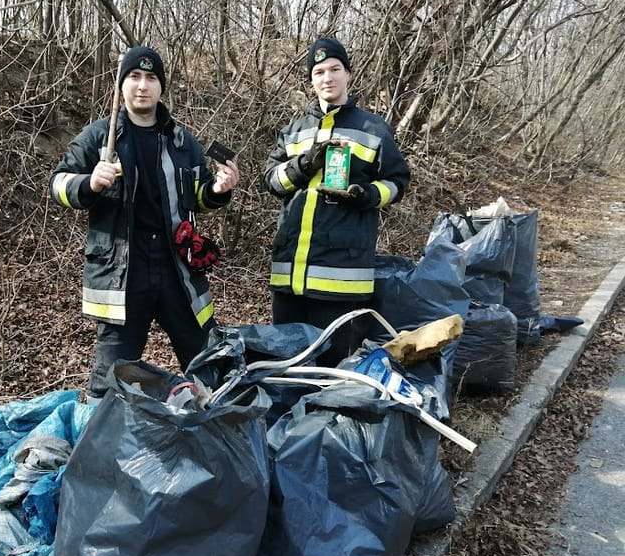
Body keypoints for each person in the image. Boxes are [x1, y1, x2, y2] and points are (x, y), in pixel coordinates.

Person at [48, 46, 239, 394]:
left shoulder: (182, 143)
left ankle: (213, 433)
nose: (142, 85)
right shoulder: (99, 139)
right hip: (122, 273)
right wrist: (89, 182)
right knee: (111, 381)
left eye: (151, 78)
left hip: (176, 270)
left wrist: (219, 188)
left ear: (161, 87)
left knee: (208, 365)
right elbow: (58, 184)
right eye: (134, 77)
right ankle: (100, 443)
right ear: (122, 85)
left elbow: (199, 199)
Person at [263, 37, 410, 366]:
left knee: (332, 374)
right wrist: (304, 164)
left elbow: (397, 182)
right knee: (285, 369)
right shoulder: (294, 131)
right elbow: (272, 181)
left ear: (347, 74)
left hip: (340, 280)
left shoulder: (372, 128)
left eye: (334, 69)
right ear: (311, 80)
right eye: (318, 72)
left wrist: (368, 195)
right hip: (288, 279)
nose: (327, 78)